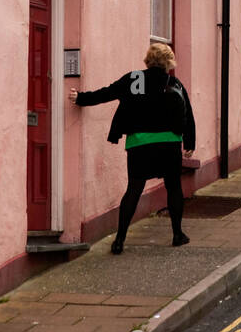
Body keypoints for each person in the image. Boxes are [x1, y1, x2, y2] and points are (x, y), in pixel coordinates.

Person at [69, 43, 195, 252]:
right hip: (169, 144)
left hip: (139, 144)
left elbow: (107, 93)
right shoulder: (174, 83)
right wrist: (190, 142)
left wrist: (81, 98)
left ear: (148, 59)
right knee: (173, 187)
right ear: (168, 62)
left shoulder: (133, 79)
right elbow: (187, 115)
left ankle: (119, 240)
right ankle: (177, 234)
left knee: (133, 190)